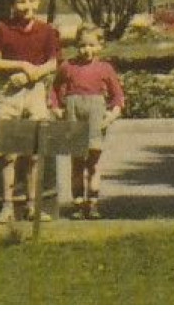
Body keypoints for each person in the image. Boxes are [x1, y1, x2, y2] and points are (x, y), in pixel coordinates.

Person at [0, 0, 61, 222]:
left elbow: (52, 63)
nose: (26, 6)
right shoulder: (1, 29)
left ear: (37, 3)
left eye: (31, 1)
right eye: (21, 2)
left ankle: (33, 205)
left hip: (35, 92)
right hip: (9, 94)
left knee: (35, 152)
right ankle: (8, 207)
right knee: (9, 153)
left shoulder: (47, 31)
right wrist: (21, 66)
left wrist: (31, 75)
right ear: (14, 4)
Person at [51, 25, 124, 219]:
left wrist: (110, 116)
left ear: (100, 46)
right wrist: (57, 109)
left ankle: (92, 202)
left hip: (95, 115)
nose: (87, 50)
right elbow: (55, 89)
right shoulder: (68, 66)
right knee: (77, 163)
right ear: (76, 46)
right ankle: (77, 202)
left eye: (92, 45)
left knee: (93, 163)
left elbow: (117, 96)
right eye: (82, 45)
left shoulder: (105, 68)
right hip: (74, 113)